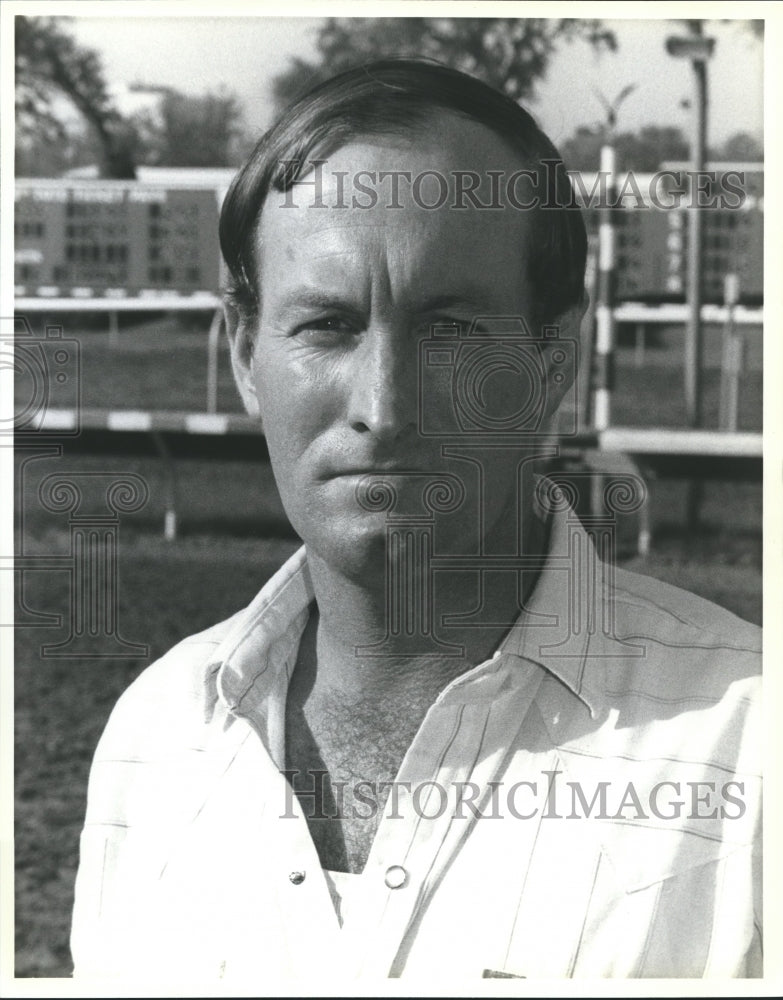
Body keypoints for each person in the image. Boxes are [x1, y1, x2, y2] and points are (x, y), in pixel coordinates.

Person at [71, 60, 761, 982]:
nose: (383, 405)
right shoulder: (157, 737)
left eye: (451, 330)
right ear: (245, 352)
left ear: (551, 359)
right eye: (325, 325)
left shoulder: (751, 751)